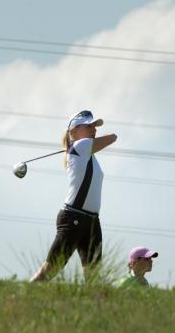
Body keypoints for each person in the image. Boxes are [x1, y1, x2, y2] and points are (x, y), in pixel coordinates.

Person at [30, 110, 117, 282]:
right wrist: (80, 141)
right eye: (89, 126)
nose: (94, 129)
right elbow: (113, 137)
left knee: (94, 278)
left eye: (95, 126)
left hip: (92, 221)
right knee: (50, 270)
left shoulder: (87, 153)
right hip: (73, 218)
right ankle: (21, 294)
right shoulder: (80, 146)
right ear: (74, 131)